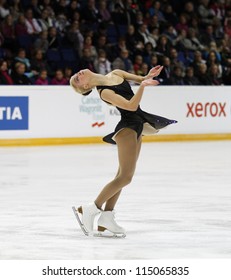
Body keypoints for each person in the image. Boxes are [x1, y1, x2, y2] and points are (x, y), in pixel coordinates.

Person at [70, 66, 177, 237]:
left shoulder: (117, 73)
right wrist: (143, 87)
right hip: (126, 129)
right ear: (85, 87)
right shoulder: (104, 93)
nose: (78, 74)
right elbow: (131, 106)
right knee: (126, 177)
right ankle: (91, 208)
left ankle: (106, 218)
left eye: (77, 73)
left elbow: (141, 78)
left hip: (138, 127)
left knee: (121, 177)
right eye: (77, 79)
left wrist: (147, 76)